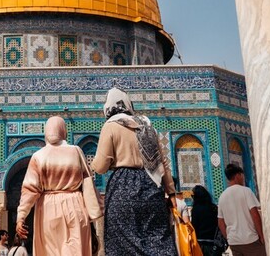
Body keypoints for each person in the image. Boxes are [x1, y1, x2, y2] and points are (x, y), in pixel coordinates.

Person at [92, 87, 176, 256]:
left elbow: (100, 166)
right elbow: (162, 164)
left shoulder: (111, 126)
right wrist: (172, 193)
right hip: (152, 186)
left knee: (124, 243)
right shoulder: (146, 125)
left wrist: (96, 164)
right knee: (157, 240)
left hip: (123, 189)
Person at [16, 116, 92, 256]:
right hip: (75, 205)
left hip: (48, 209)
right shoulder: (76, 151)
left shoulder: (39, 156)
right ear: (64, 131)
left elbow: (29, 190)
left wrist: (21, 217)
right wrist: (95, 212)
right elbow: (88, 181)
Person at [217, 164, 265, 256]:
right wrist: (261, 235)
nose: (243, 178)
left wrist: (228, 238)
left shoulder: (222, 196)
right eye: (242, 175)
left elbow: (220, 222)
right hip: (250, 240)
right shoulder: (246, 191)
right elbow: (255, 215)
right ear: (237, 175)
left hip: (234, 242)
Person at [191, 185, 223, 256]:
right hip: (214, 243)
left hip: (201, 244)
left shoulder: (196, 209)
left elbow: (194, 227)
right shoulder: (214, 208)